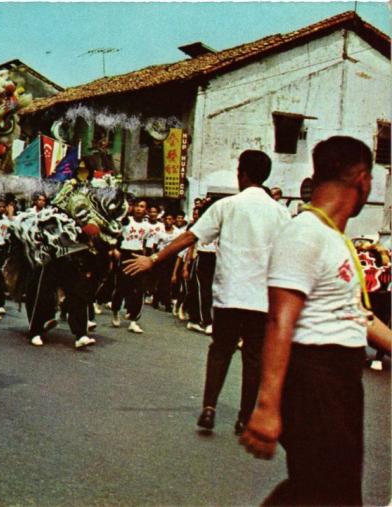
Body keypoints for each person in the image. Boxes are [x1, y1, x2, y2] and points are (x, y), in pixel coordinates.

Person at [240, 136, 392, 506]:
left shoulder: (333, 239)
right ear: (363, 181)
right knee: (327, 492)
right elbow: (279, 320)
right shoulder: (304, 234)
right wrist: (266, 406)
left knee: (321, 491)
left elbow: (355, 313)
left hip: (340, 381)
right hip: (313, 379)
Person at [125, 150, 290, 434]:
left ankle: (210, 408)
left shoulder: (227, 206)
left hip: (229, 295)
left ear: (244, 174)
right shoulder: (281, 213)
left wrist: (153, 260)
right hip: (262, 300)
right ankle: (244, 417)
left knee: (220, 352)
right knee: (253, 358)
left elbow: (190, 236)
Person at [111, 199, 150, 333]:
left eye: (142, 207)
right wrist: (114, 249)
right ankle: (115, 310)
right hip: (124, 254)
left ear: (146, 210)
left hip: (138, 255)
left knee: (139, 289)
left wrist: (147, 259)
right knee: (121, 286)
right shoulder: (125, 221)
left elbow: (146, 245)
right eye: (137, 206)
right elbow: (114, 235)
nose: (139, 209)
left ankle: (134, 320)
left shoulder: (147, 227)